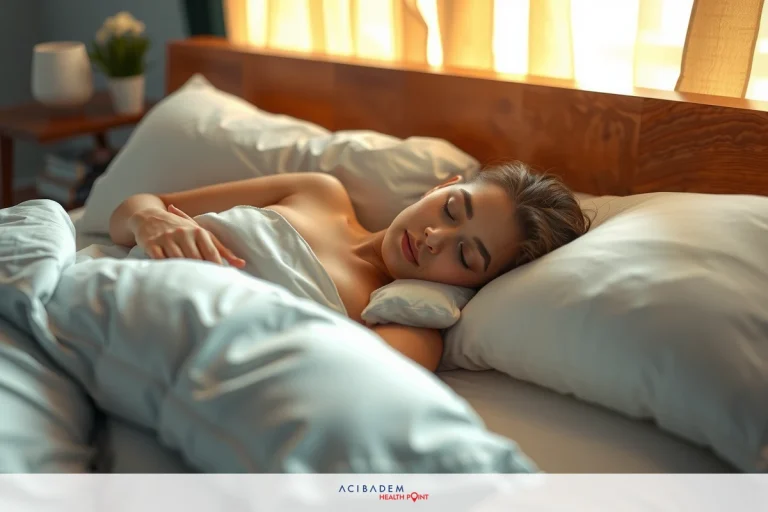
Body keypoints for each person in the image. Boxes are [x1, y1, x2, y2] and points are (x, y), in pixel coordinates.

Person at [109, 161, 589, 372]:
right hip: (111, 280)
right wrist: (150, 220)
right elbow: (130, 211)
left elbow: (340, 390)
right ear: (441, 187)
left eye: (466, 255)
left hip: (147, 341)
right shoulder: (319, 191)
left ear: (480, 284)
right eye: (450, 209)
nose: (434, 237)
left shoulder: (409, 326)